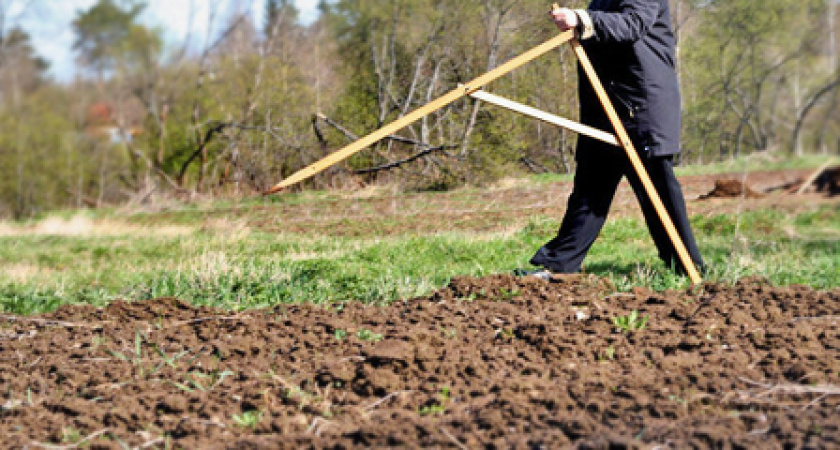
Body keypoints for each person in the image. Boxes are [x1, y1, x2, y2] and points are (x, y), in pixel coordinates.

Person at [521, 0, 704, 279]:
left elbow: (632, 24)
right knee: (589, 192)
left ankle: (687, 269)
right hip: (605, 109)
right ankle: (560, 266)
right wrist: (579, 24)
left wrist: (580, 19)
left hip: (639, 109)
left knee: (658, 192)